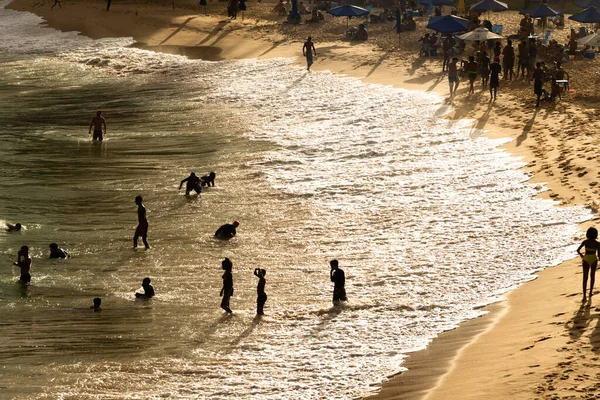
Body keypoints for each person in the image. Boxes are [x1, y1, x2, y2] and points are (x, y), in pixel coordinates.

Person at [577, 227, 600, 301]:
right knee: (592, 276)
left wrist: (581, 255)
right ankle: (590, 292)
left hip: (586, 259)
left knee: (585, 277)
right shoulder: (597, 243)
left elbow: (578, 250)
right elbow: (599, 255)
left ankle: (584, 296)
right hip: (593, 259)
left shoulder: (585, 242)